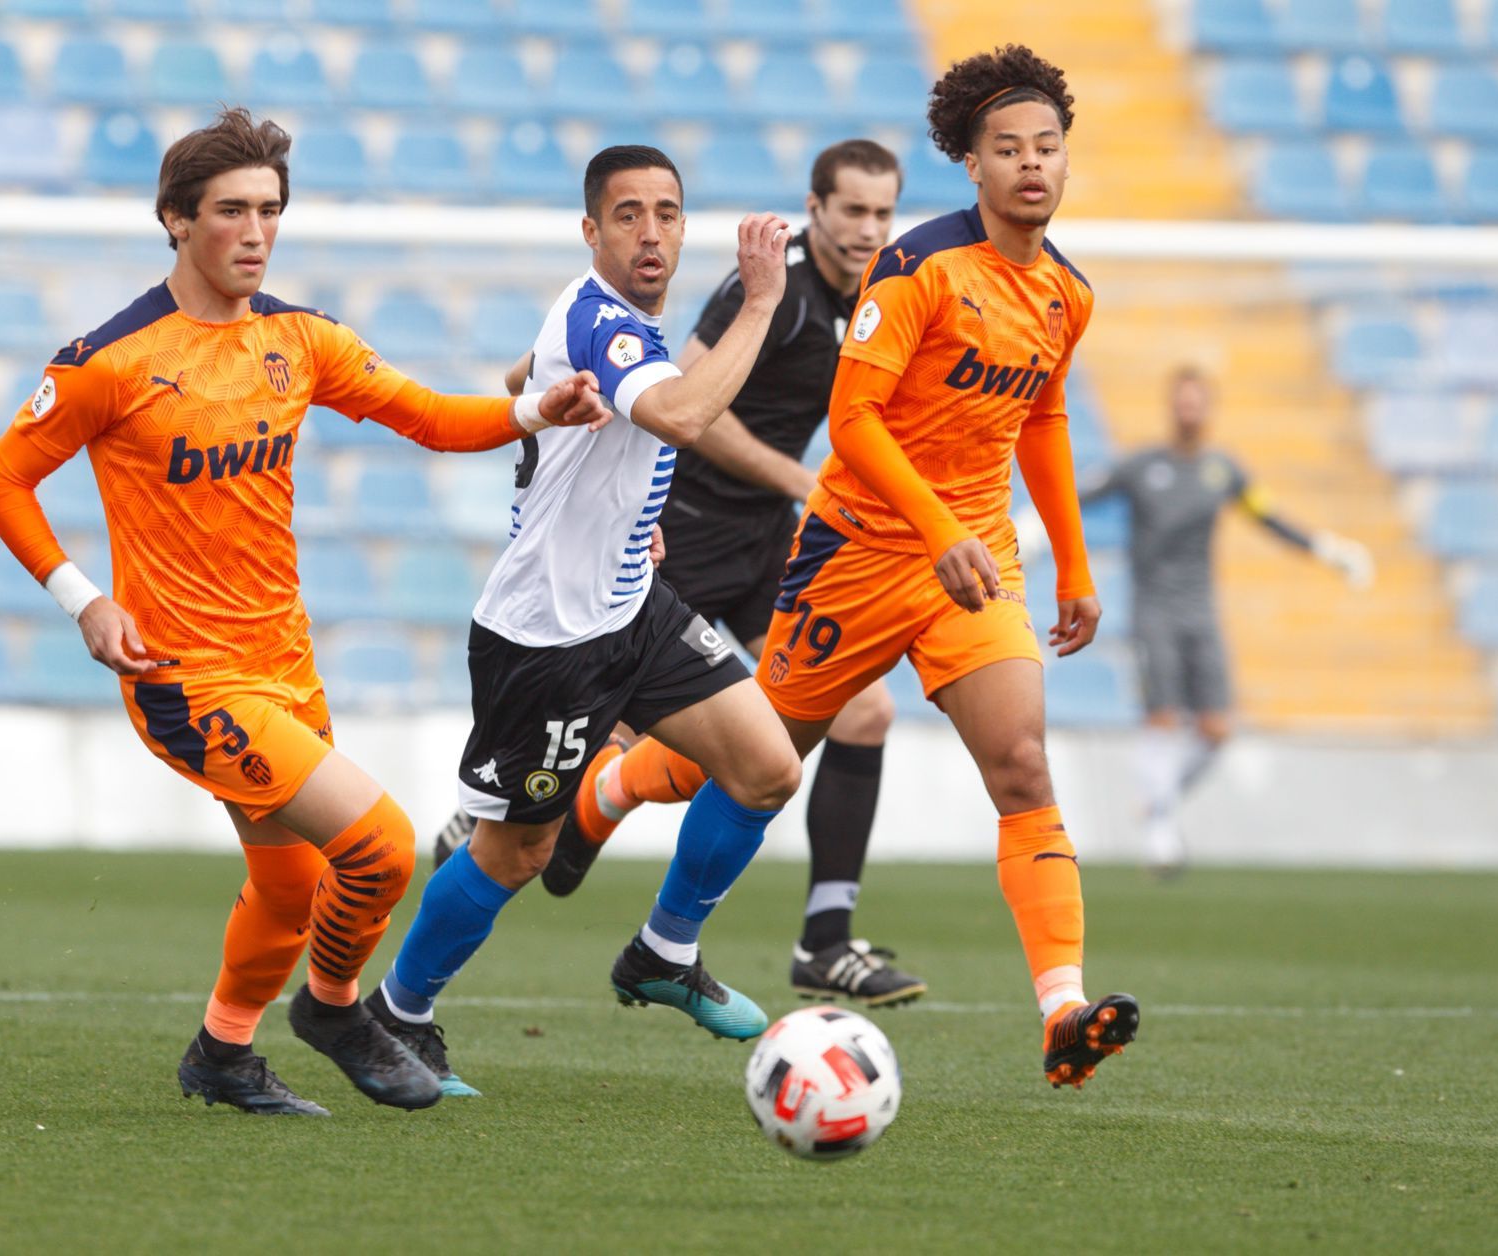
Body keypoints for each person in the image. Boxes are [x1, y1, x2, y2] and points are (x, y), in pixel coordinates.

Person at [0, 108, 608, 1117]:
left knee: (289, 885)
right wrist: (83, 599)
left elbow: (432, 418)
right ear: (176, 220)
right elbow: (3, 481)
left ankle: (222, 1054)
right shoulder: (109, 359)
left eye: (269, 209)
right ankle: (333, 1006)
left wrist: (536, 408)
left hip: (282, 663)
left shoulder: (298, 338)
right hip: (183, 675)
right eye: (231, 210)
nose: (255, 231)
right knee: (381, 845)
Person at [530, 47, 1143, 1089]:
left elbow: (1039, 417)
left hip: (975, 560)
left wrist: (1073, 568)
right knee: (754, 760)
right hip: (856, 555)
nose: (1032, 166)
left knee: (1021, 766)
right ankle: (616, 798)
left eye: (1047, 148)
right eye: (1008, 150)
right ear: (971, 165)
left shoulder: (1066, 294)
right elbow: (851, 423)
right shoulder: (916, 270)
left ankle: (1060, 1009)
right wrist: (928, 526)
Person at [439, 139, 926, 1008]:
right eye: (852, 210)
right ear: (814, 211)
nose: (868, 228)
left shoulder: (879, 301)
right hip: (682, 526)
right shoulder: (761, 290)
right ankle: (515, 823)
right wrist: (802, 479)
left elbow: (530, 372)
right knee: (593, 758)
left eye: (883, 213)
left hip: (766, 540)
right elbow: (693, 402)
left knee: (861, 711)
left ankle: (824, 939)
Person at [365, 147, 805, 1090]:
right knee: (518, 851)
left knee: (767, 768)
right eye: (629, 215)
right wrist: (762, 303)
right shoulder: (605, 318)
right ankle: (397, 1012)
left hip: (632, 606)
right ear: (592, 231)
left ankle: (663, 953)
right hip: (550, 639)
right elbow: (683, 416)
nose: (651, 233)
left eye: (668, 214)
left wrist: (613, 514)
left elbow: (534, 368)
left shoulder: (601, 320)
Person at [1023, 366, 1373, 875]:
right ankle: (1160, 831)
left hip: (1201, 611)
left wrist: (1324, 549)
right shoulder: (1142, 466)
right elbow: (1082, 492)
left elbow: (1267, 517)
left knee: (1215, 729)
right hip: (1154, 612)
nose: (1189, 410)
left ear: (1207, 409)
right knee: (1162, 717)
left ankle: (1157, 800)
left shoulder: (1222, 471)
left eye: (1197, 402)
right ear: (1172, 407)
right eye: (1182, 401)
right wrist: (1036, 523)